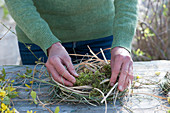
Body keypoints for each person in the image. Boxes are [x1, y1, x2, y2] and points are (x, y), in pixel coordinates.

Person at [5, 0, 138, 91]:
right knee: (39, 103)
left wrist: (122, 42)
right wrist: (47, 41)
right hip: (38, 42)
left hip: (102, 39)